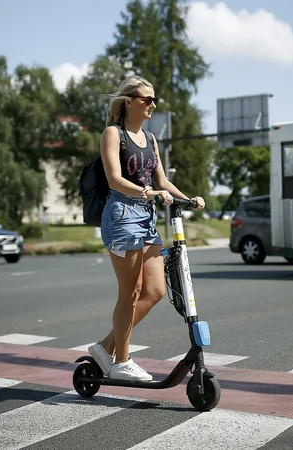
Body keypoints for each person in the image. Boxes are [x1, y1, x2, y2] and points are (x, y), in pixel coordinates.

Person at [87, 75, 205, 382]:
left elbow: (162, 181)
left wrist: (188, 198)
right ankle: (121, 361)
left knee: (153, 291)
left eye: (154, 100)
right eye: (146, 100)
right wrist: (147, 193)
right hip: (122, 214)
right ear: (129, 102)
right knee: (130, 292)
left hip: (146, 217)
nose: (152, 104)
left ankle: (105, 347)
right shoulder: (114, 134)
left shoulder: (151, 140)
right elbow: (114, 179)